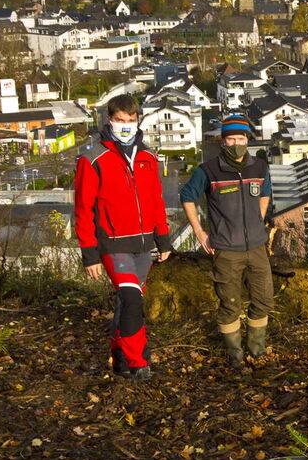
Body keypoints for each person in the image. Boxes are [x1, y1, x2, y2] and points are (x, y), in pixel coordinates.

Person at [74, 94, 171, 380]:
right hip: (112, 244)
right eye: (120, 121)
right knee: (131, 299)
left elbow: (156, 201)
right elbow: (82, 210)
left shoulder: (148, 158)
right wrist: (89, 254)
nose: (126, 126)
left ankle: (119, 356)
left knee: (125, 300)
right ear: (109, 121)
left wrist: (163, 239)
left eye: (131, 121)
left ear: (138, 120)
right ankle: (138, 361)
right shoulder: (93, 159)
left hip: (143, 244)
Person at [180, 115, 273, 369]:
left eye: (240, 138)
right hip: (225, 249)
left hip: (256, 247)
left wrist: (258, 220)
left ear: (247, 140)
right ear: (223, 142)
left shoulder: (260, 167)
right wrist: (200, 232)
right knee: (230, 304)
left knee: (263, 299)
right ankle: (235, 354)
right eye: (230, 139)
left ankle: (257, 348)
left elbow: (265, 194)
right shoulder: (208, 170)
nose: (235, 144)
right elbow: (187, 196)